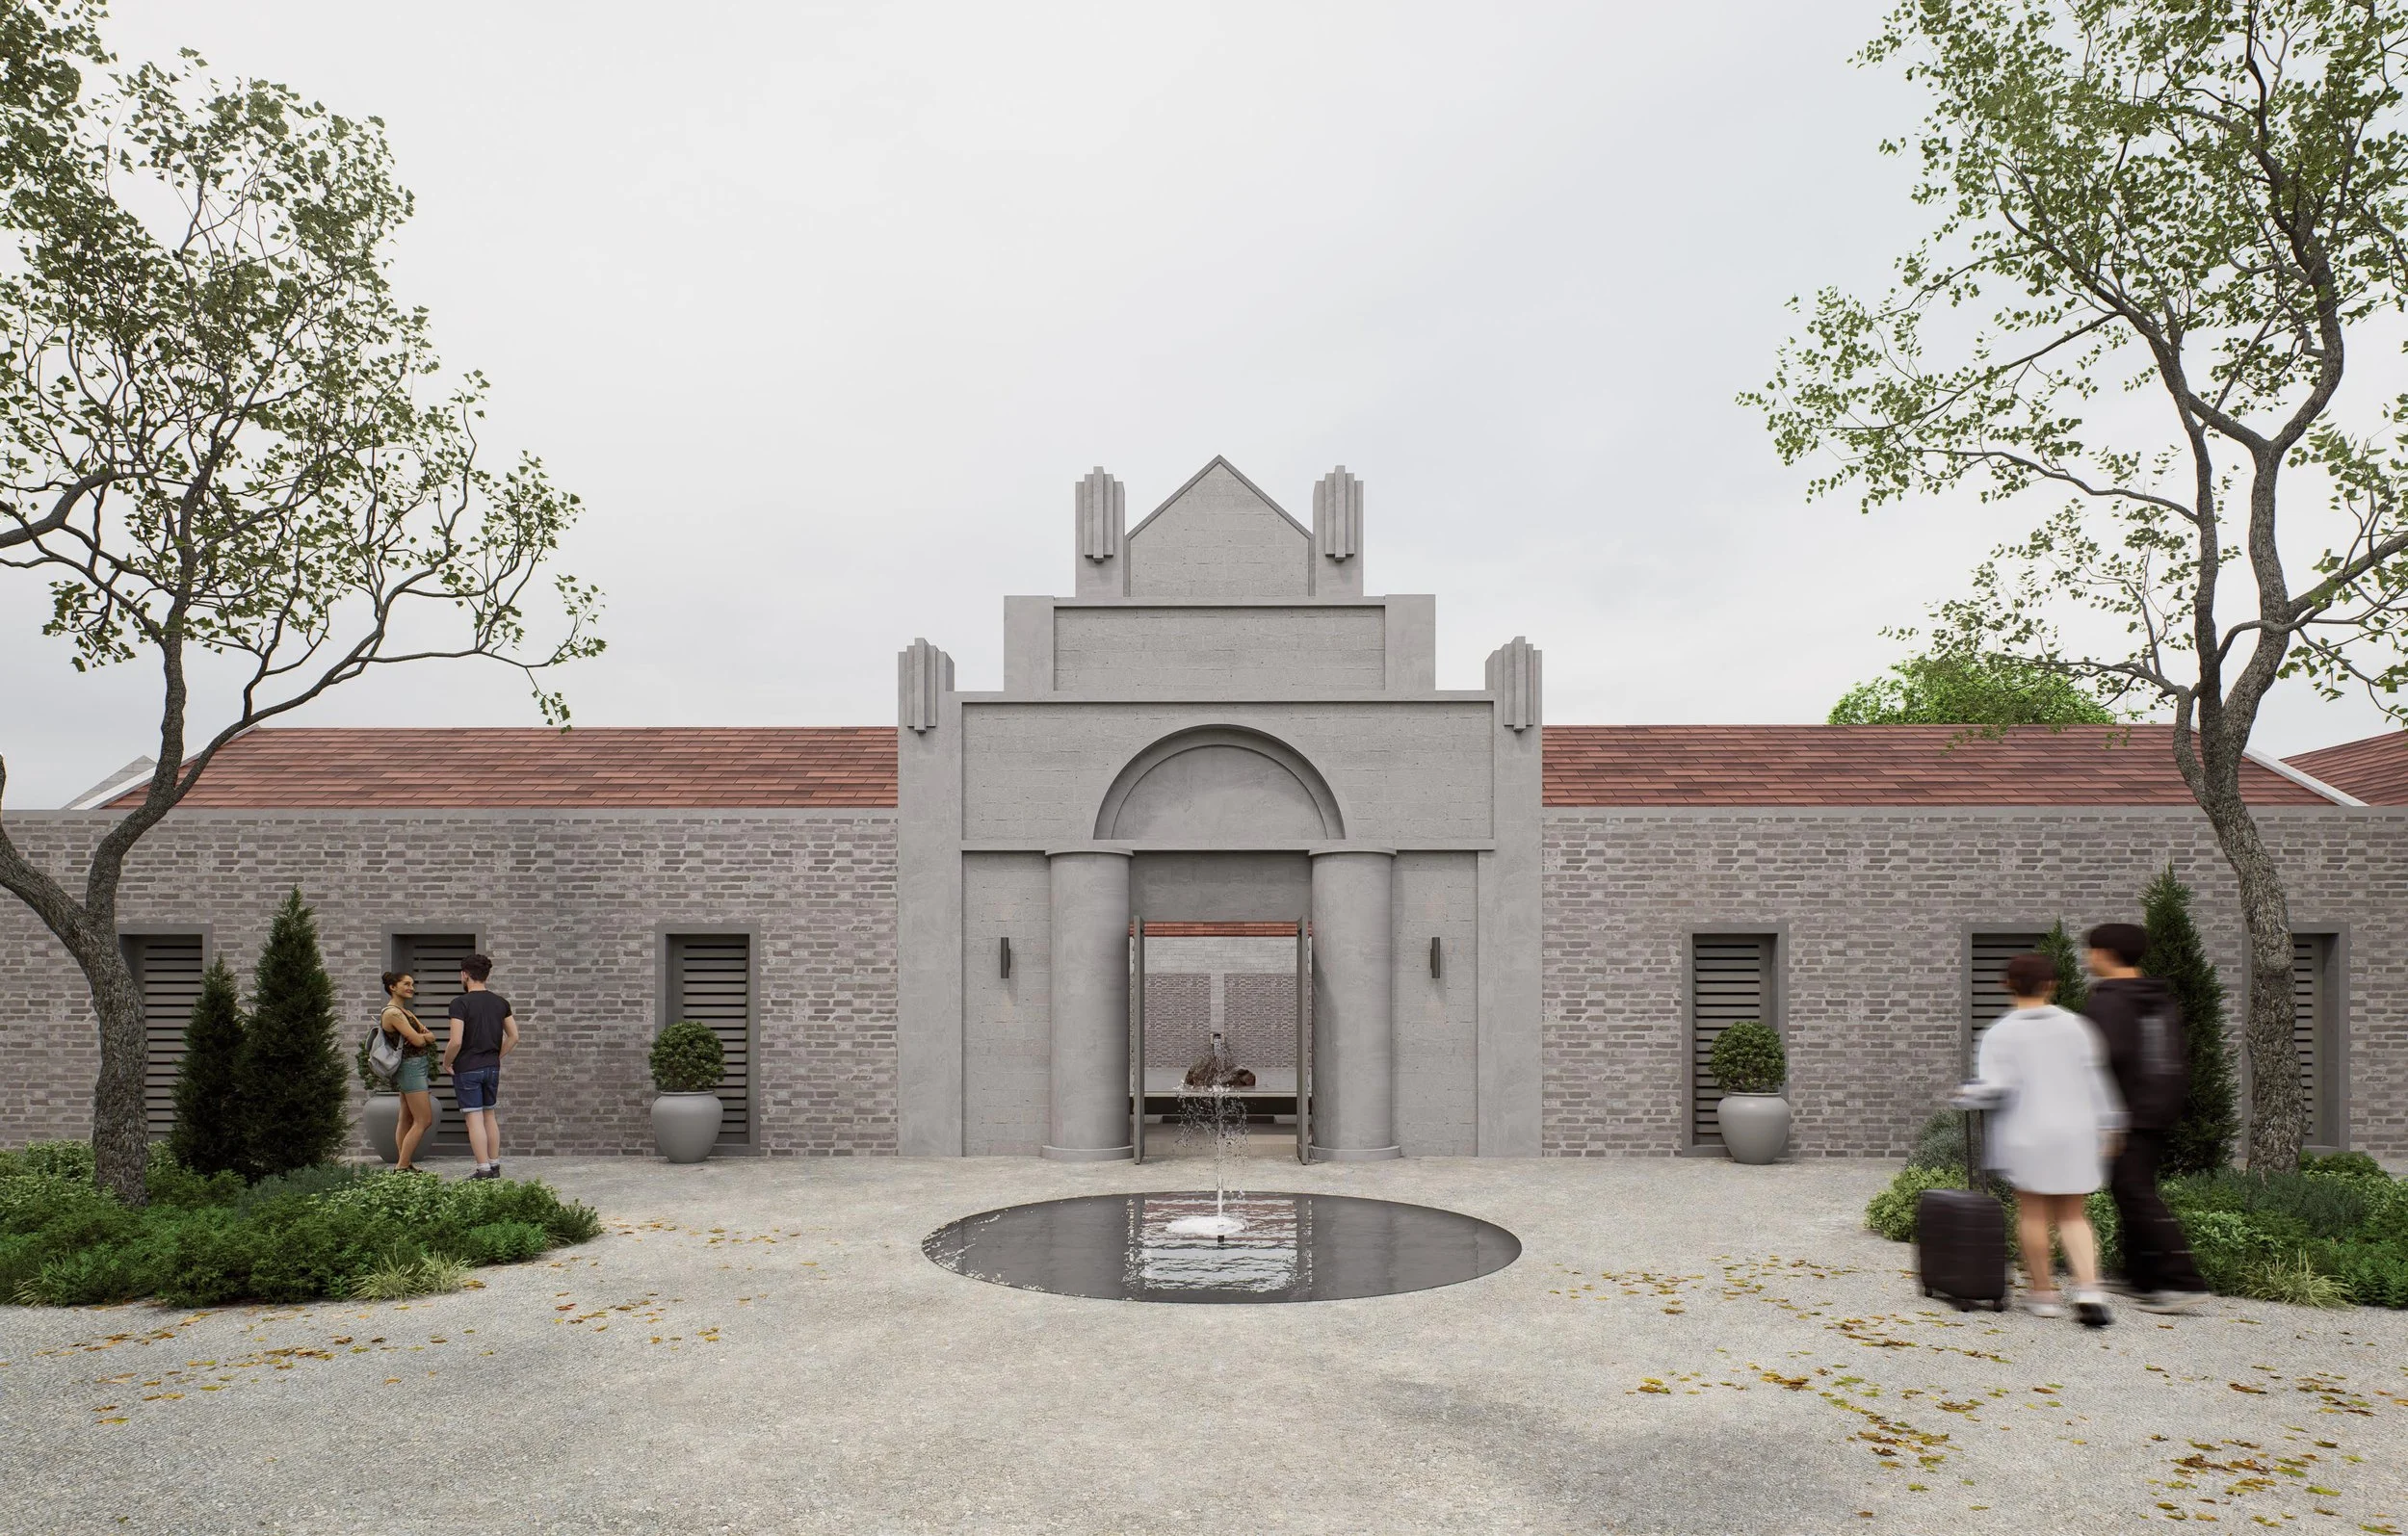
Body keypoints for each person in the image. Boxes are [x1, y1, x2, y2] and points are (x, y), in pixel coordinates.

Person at [1970, 950, 2126, 1326]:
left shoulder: (1999, 1033)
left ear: (2006, 985)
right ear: (2052, 984)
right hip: (2075, 1131)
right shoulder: (2077, 1027)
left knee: (2033, 1212)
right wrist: (2111, 1123)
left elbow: (1994, 1088)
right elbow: (2096, 1079)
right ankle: (2089, 1290)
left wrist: (1966, 1095)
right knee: (2074, 1214)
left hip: (2028, 1134)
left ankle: (2043, 1294)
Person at [2084, 922, 2212, 1315]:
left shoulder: (2110, 1000)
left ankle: (2181, 1281)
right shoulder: (2156, 997)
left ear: (2105, 955)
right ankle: (2140, 1277)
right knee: (2130, 1189)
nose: (2088, 959)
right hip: (2159, 1104)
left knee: (2136, 1192)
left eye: (2091, 951)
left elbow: (2104, 1058)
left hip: (2126, 1111)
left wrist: (2108, 1118)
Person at [442, 951, 518, 1181]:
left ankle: (482, 1168)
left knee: (473, 1118)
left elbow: (456, 1041)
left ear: (465, 975)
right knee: (489, 1115)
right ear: (486, 975)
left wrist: (447, 1062)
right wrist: (496, 1056)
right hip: (491, 1067)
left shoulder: (459, 1003)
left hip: (468, 1067)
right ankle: (494, 1166)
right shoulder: (500, 1002)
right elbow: (514, 1036)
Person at [379, 972, 438, 1172]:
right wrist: (425, 1037)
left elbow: (431, 1035)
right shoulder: (392, 1013)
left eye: (412, 984)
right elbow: (420, 1039)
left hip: (415, 1066)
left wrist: (426, 1036)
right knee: (424, 1119)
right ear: (392, 987)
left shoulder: (405, 1012)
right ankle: (402, 1165)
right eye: (406, 984)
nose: (411, 987)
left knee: (406, 1117)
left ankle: (405, 1163)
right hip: (410, 1068)